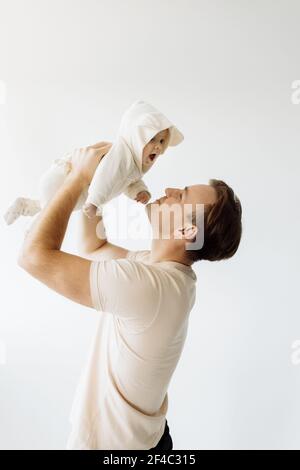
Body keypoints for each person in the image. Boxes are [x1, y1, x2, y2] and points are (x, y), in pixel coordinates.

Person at [17, 142, 242, 450]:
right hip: (146, 442)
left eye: (182, 196)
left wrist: (78, 179)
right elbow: (93, 248)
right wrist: (100, 183)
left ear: (189, 233)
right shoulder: (164, 273)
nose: (171, 189)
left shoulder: (151, 286)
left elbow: (33, 256)